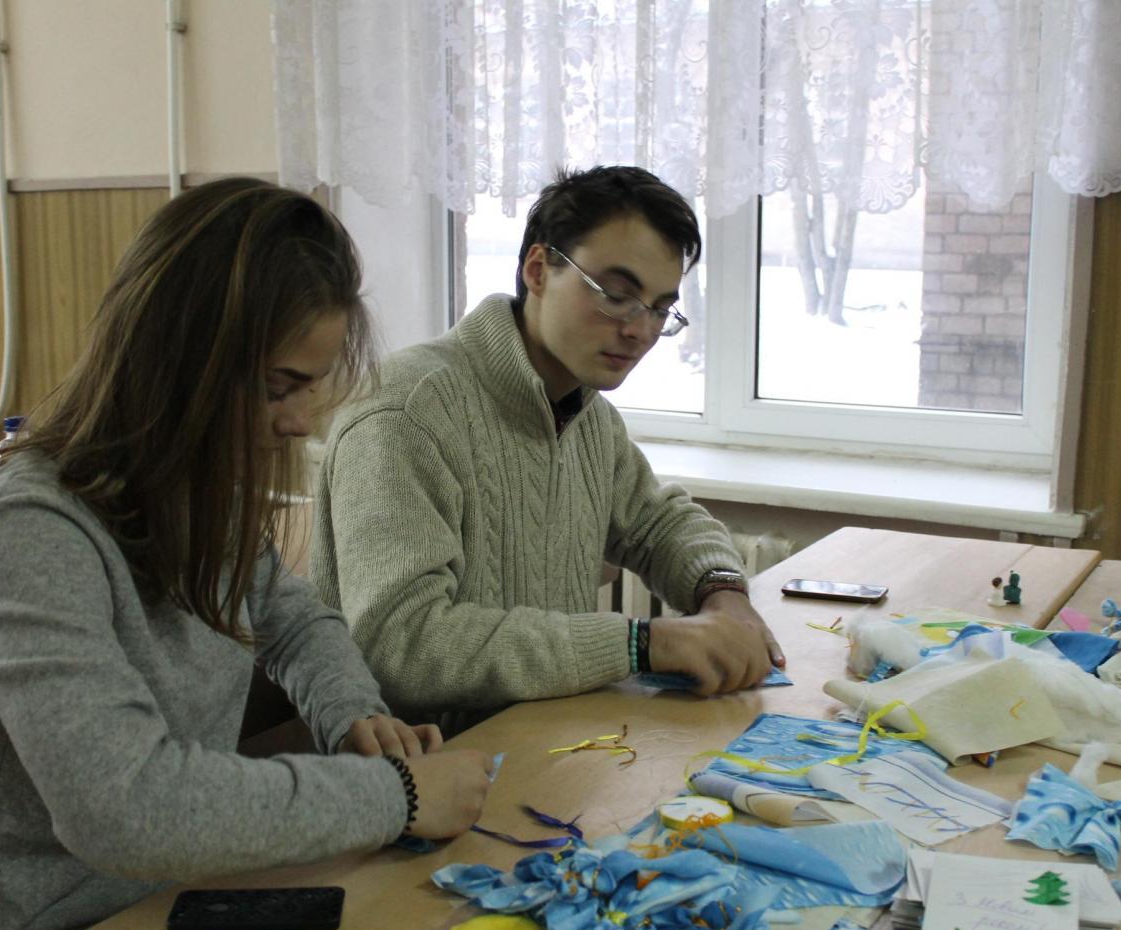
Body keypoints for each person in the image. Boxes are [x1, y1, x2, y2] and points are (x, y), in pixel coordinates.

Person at [0, 177, 493, 930]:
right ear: (178, 362)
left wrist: (353, 713)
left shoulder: (198, 492)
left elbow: (295, 622)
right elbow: (125, 808)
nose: (302, 421)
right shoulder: (26, 531)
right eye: (281, 387)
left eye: (310, 388)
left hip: (184, 891)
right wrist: (398, 796)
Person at [311, 165, 786, 732]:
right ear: (538, 270)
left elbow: (658, 524)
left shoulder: (585, 412)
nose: (639, 330)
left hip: (552, 738)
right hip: (426, 764)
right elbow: (404, 645)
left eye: (660, 308)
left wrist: (723, 592)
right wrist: (641, 644)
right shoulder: (406, 414)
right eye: (617, 295)